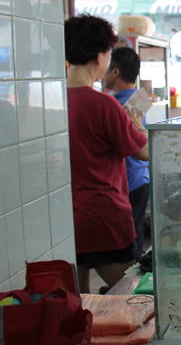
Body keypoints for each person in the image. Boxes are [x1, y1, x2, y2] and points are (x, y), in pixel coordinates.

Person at [65, 15, 150, 294]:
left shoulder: (52, 101)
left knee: (75, 306)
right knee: (133, 296)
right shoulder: (104, 104)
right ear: (100, 55)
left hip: (66, 218)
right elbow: (143, 151)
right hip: (104, 216)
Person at [103, 47, 150, 262]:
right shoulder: (139, 97)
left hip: (128, 179)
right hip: (141, 177)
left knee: (130, 236)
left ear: (115, 72)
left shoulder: (115, 104)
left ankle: (132, 280)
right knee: (136, 229)